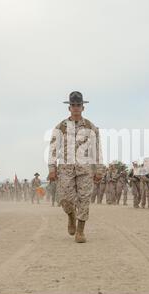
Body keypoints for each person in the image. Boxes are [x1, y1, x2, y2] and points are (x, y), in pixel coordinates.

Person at [48, 91, 104, 243]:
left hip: (85, 169)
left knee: (84, 199)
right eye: (73, 105)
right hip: (65, 169)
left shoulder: (91, 127)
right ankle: (71, 215)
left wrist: (99, 169)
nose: (76, 108)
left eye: (78, 105)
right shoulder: (61, 127)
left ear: (83, 107)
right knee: (65, 198)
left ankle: (80, 231)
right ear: (69, 108)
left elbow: (97, 150)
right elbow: (53, 148)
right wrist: (52, 169)